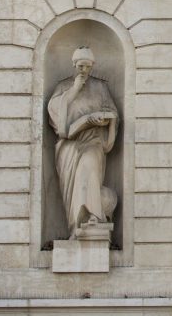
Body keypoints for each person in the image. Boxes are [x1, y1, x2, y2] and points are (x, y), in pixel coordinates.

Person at [46, 47, 119, 232]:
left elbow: (113, 113)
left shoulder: (100, 87)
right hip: (69, 146)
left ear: (92, 66)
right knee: (74, 186)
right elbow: (56, 117)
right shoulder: (63, 86)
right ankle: (76, 225)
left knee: (89, 168)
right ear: (74, 65)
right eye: (80, 66)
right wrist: (73, 91)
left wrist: (104, 119)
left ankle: (94, 216)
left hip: (93, 141)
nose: (83, 70)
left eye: (87, 66)